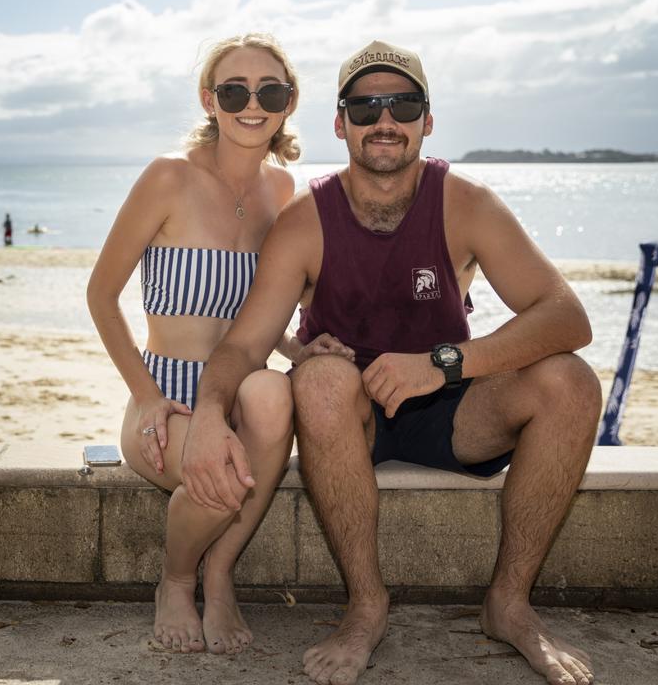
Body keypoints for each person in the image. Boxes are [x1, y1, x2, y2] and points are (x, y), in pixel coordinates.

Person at [182, 40, 600, 685]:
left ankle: (509, 604)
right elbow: (241, 346)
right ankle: (367, 606)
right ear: (340, 122)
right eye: (365, 105)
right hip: (347, 421)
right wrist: (210, 417)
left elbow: (566, 317)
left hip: (451, 405)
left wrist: (445, 362)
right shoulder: (306, 221)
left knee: (570, 381)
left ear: (426, 120)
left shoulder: (466, 203)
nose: (385, 120)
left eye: (402, 104)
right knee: (319, 379)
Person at [88, 33, 320, 656]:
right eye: (234, 89)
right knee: (225, 472)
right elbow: (100, 295)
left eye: (269, 90)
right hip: (165, 394)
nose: (252, 102)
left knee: (274, 392)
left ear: (288, 102)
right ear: (209, 99)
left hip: (242, 391)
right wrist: (147, 398)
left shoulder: (284, 192)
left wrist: (305, 350)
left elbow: (273, 312)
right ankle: (178, 578)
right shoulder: (167, 177)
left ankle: (218, 579)